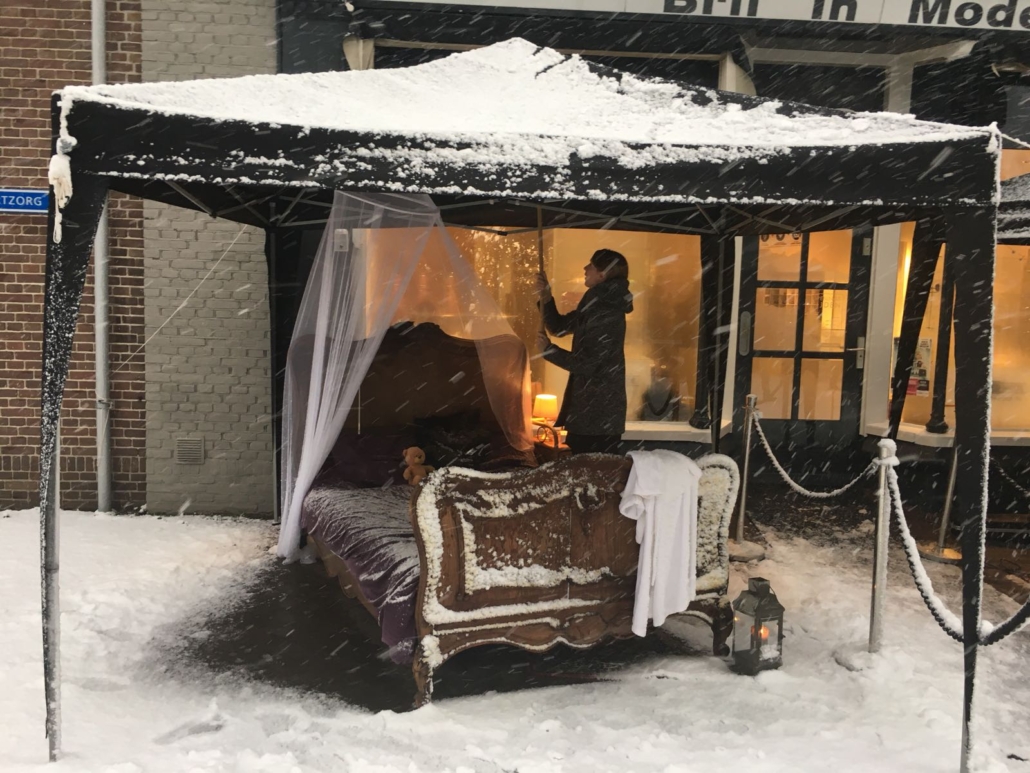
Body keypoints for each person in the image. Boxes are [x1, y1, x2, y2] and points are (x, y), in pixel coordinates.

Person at [535, 249, 633, 455]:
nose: (585, 269)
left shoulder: (605, 310)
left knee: (590, 469)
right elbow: (559, 327)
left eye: (591, 265)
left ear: (602, 274)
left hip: (596, 417)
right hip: (592, 415)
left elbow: (589, 364)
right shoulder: (596, 304)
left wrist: (549, 351)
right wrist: (546, 297)